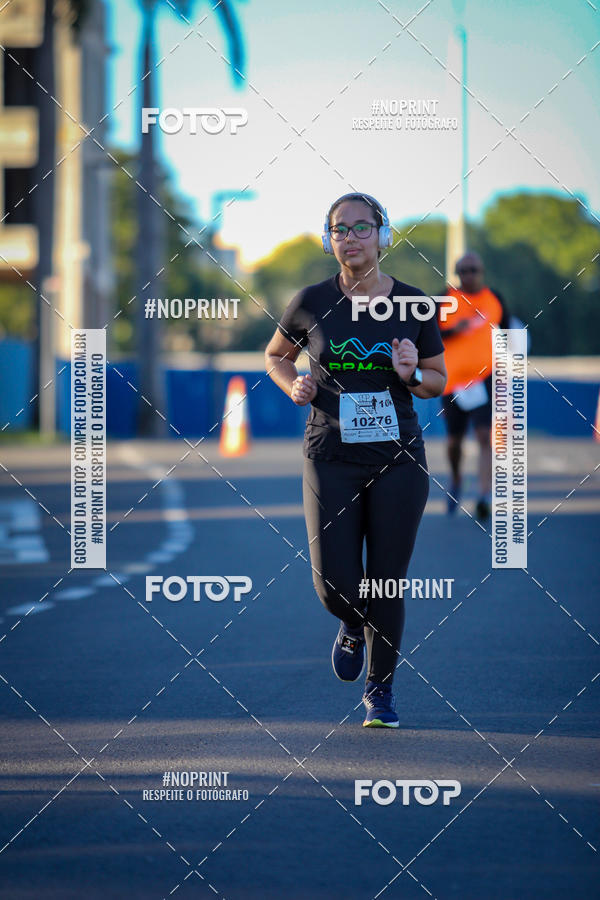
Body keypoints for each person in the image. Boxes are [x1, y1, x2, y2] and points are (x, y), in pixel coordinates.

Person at [264, 193, 446, 728]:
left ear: (383, 235)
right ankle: (350, 623)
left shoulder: (414, 304)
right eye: (340, 230)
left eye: (362, 228)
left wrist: (412, 372)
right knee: (335, 586)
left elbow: (437, 382)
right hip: (330, 455)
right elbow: (275, 353)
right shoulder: (311, 301)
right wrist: (292, 383)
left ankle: (380, 691)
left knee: (386, 580)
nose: (351, 238)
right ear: (329, 240)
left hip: (398, 459)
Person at [439, 251, 510, 521]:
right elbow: (427, 333)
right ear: (457, 274)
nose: (468, 275)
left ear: (481, 272)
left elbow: (509, 332)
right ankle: (456, 478)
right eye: (463, 271)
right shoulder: (445, 299)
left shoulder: (495, 299)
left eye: (473, 270)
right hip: (452, 383)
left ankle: (483, 495)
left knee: (484, 436)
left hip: (484, 379)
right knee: (454, 441)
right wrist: (454, 330)